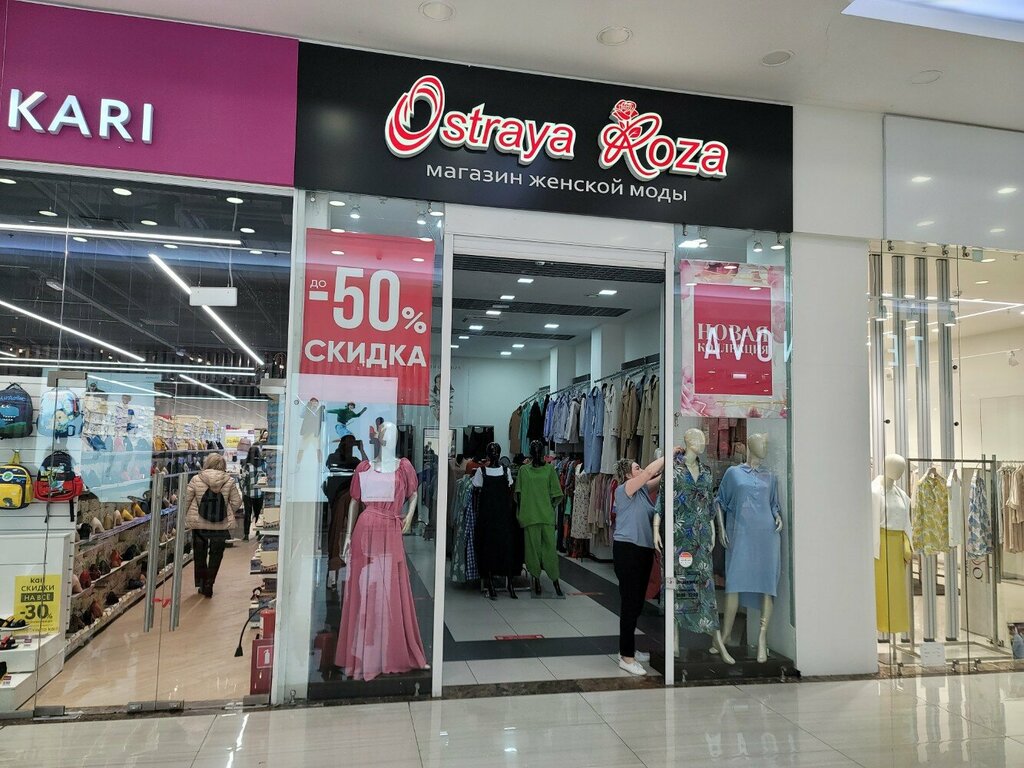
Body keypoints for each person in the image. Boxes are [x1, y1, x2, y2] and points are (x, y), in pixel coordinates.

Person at [612, 454, 665, 675]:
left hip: (642, 551)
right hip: (628, 550)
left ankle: (627, 648)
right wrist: (668, 454)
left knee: (636, 604)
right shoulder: (624, 490)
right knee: (629, 603)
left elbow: (659, 479)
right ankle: (626, 657)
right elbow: (650, 473)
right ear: (627, 474)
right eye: (636, 468)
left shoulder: (642, 491)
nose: (641, 470)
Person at [185, 453, 242, 598]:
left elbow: (186, 500)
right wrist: (226, 511)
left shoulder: (196, 479)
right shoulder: (229, 480)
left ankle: (202, 583)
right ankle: (210, 583)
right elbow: (237, 502)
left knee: (200, 554)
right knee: (216, 554)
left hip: (199, 524)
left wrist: (185, 515)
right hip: (220, 524)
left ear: (207, 463)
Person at [239, 445, 266, 541]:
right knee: (259, 513)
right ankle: (259, 533)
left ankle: (246, 535)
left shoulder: (246, 465)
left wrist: (242, 489)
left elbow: (243, 479)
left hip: (248, 493)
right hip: (260, 493)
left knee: (247, 514)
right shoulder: (263, 464)